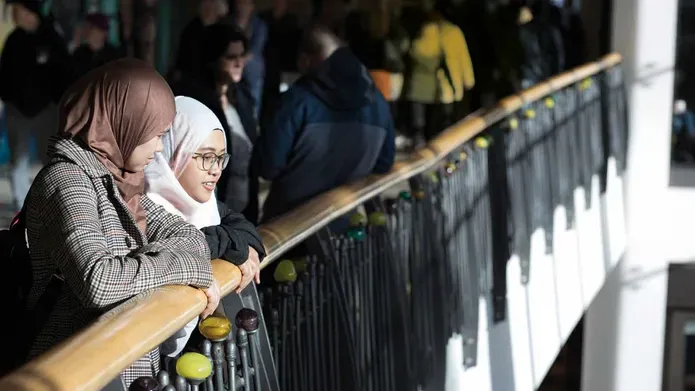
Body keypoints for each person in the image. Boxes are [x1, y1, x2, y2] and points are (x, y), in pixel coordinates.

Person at [22, 59, 218, 387]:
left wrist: (146, 265)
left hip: (123, 366)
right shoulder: (67, 180)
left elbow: (190, 236)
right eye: (153, 135)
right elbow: (99, 281)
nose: (158, 149)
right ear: (122, 122)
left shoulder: (121, 180)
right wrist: (187, 267)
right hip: (75, 373)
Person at [146, 96, 264, 358]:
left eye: (221, 158)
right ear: (175, 150)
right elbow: (179, 247)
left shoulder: (205, 203)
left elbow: (247, 229)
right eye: (207, 157)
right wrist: (233, 246)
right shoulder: (144, 206)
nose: (216, 170)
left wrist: (238, 244)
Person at [254, 26, 395, 224]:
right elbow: (384, 162)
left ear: (305, 60)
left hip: (289, 227)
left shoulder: (296, 101)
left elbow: (269, 166)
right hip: (348, 223)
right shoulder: (378, 103)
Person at [173, 23, 260, 224]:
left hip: (245, 207)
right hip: (210, 208)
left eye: (242, 56)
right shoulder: (195, 101)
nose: (238, 63)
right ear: (213, 59)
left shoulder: (242, 97)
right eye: (230, 57)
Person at [0, 0, 71, 211]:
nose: (15, 15)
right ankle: (21, 208)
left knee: (48, 159)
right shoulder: (14, 40)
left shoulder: (52, 39)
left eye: (18, 10)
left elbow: (63, 73)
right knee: (18, 162)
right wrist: (8, 99)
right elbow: (4, 74)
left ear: (30, 12)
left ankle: (50, 203)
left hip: (46, 111)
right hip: (17, 111)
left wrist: (56, 103)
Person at [403, 1, 475, 145]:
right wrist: (468, 80)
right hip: (452, 85)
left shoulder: (425, 31)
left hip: (432, 87)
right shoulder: (453, 31)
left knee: (431, 127)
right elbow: (463, 58)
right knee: (448, 126)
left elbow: (417, 52)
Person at [173, 0, 228, 81]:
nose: (208, 7)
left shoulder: (223, 30)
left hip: (213, 81)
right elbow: (181, 58)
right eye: (206, 3)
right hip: (190, 80)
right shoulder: (191, 28)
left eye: (212, 4)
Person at [229, 0, 267, 117]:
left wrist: (237, 60)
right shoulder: (230, 22)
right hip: (231, 70)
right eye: (240, 3)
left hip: (252, 72)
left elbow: (255, 49)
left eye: (246, 3)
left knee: (253, 103)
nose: (243, 6)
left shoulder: (260, 25)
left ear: (252, 6)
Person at [70, 13, 123, 78]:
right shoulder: (79, 53)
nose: (86, 31)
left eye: (91, 27)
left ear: (102, 32)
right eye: (86, 27)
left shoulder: (113, 55)